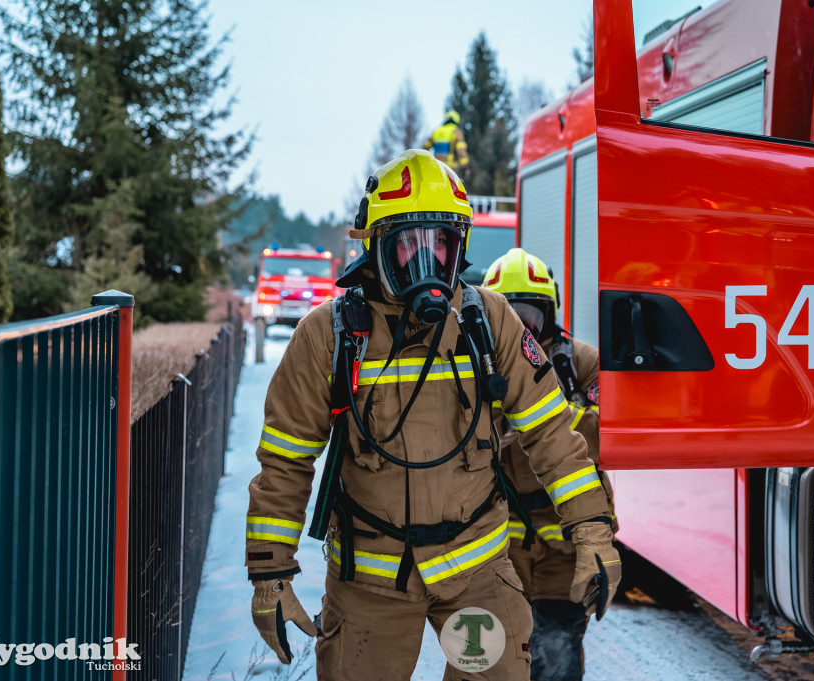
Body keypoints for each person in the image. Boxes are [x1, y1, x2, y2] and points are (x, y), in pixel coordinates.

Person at [244, 149, 620, 680]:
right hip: (369, 581)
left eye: (441, 241)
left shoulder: (488, 320)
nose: (428, 260)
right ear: (375, 247)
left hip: (476, 576)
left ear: (458, 246)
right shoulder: (328, 336)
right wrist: (271, 573)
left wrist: (591, 532)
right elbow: (284, 461)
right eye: (408, 242)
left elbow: (554, 437)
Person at [482, 247, 616, 681]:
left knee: (557, 652)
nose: (522, 327)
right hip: (499, 543)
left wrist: (547, 414)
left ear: (549, 314)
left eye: (531, 315)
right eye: (508, 313)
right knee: (490, 654)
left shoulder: (580, 363)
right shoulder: (474, 368)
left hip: (563, 546)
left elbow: (610, 431)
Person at [424, 109, 470, 179]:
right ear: (457, 120)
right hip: (450, 168)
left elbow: (425, 148)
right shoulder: (456, 132)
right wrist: (464, 167)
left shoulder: (436, 131)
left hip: (436, 166)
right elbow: (461, 151)